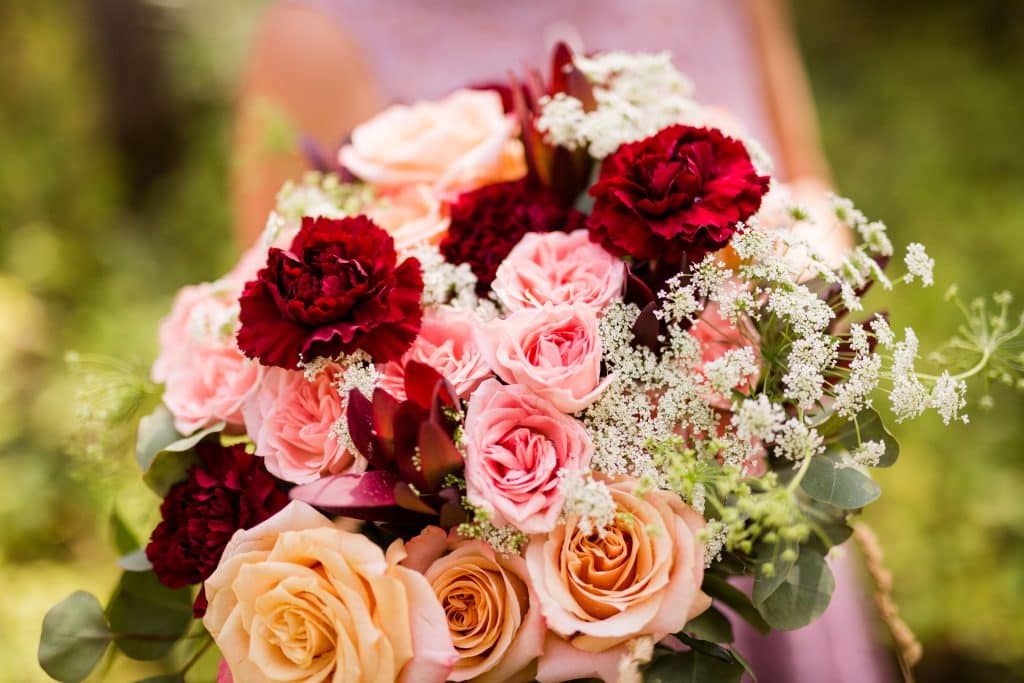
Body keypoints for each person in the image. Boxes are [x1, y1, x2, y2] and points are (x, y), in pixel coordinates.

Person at [231, 2, 892, 680]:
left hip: (753, 536)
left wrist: (778, 283)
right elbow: (274, 343)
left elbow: (814, 191)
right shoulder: (317, 34)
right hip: (510, 607)